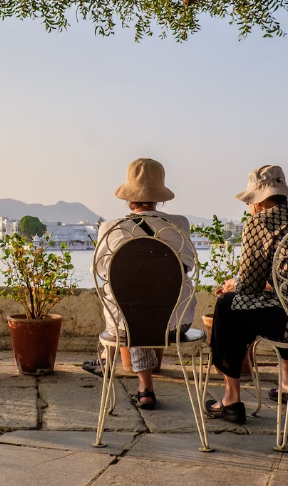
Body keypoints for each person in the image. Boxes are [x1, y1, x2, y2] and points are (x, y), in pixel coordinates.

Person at [206, 165, 288, 424]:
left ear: (257, 201)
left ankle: (231, 399)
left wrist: (232, 284)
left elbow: (250, 285)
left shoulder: (259, 222)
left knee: (227, 306)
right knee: (285, 303)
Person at [82, 158, 198, 410]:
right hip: (177, 324)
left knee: (129, 307)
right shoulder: (179, 224)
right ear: (160, 197)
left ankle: (141, 384)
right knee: (142, 309)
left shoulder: (111, 227)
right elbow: (188, 266)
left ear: (128, 197)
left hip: (127, 326)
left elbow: (101, 271)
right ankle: (122, 370)